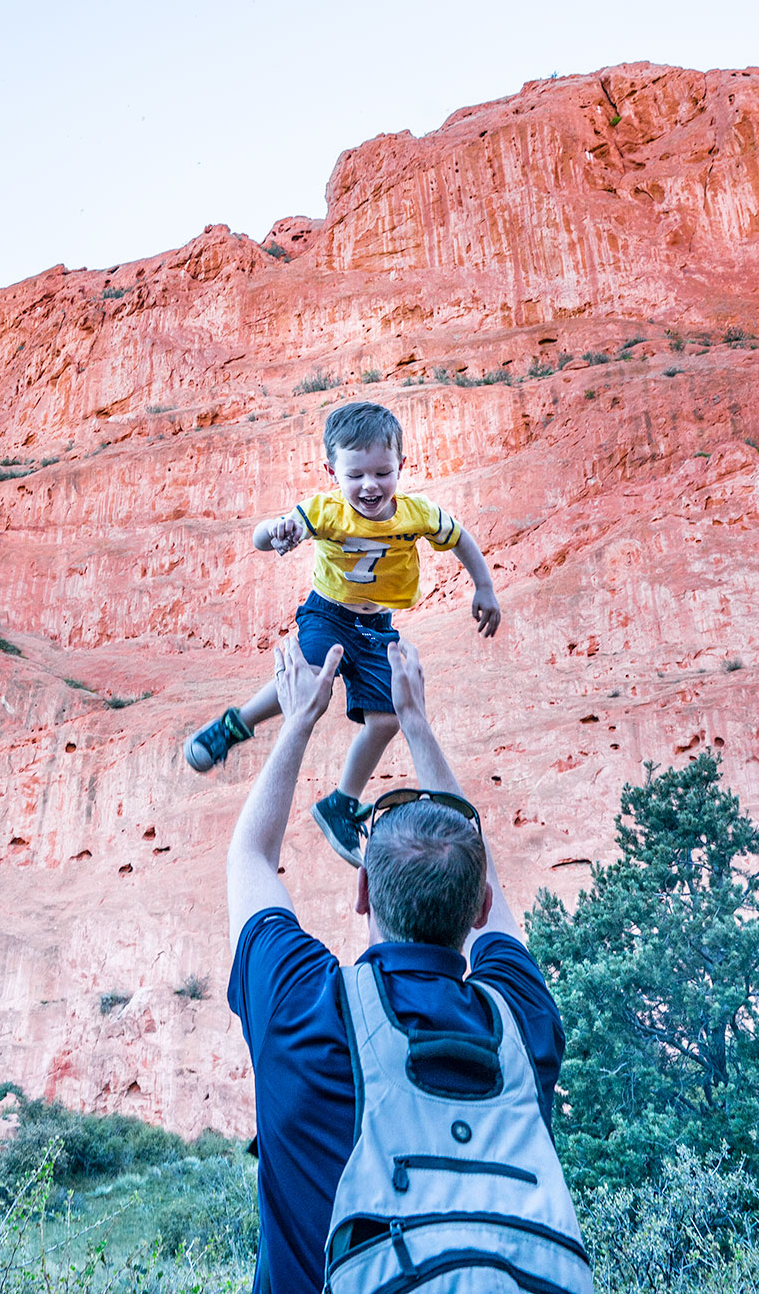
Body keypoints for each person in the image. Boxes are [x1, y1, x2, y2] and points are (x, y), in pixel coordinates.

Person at [226, 634, 568, 1294]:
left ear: (362, 893)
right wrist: (416, 724)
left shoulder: (306, 1006)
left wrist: (299, 718)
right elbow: (491, 891)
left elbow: (249, 857)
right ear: (480, 906)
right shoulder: (520, 1020)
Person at [185, 401, 501, 867]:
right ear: (331, 471)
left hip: (377, 628)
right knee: (312, 679)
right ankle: (238, 723)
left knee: (389, 718)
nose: (369, 485)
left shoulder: (416, 514)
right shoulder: (324, 511)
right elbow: (258, 538)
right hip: (328, 614)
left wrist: (485, 585)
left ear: (401, 467)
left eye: (381, 472)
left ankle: (342, 803)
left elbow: (459, 537)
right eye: (355, 475)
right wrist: (276, 530)